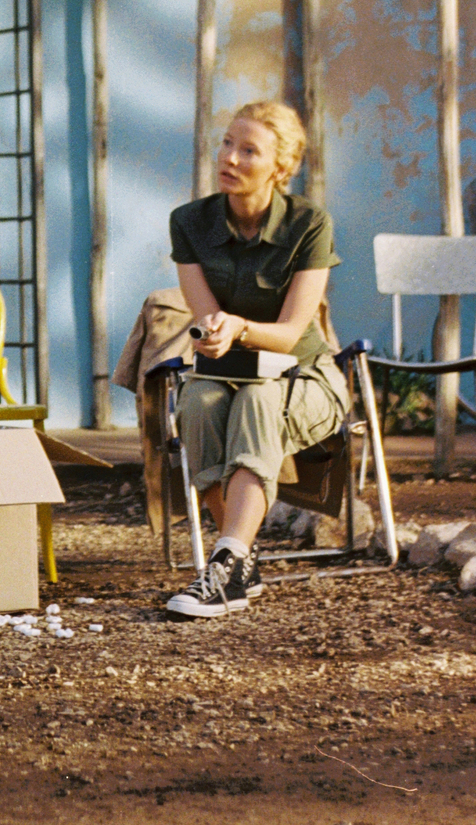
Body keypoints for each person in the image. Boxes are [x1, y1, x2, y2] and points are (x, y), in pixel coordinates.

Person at [164, 100, 344, 619]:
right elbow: (204, 320)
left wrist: (239, 327)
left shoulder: (309, 223)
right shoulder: (189, 223)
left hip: (306, 378)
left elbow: (289, 337)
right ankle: (236, 559)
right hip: (224, 372)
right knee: (198, 401)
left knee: (258, 400)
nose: (232, 158)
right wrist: (212, 335)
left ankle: (226, 566)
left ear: (280, 168)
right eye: (227, 143)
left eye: (250, 150)